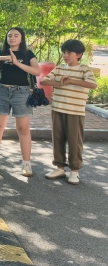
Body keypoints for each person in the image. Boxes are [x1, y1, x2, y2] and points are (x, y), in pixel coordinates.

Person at [0, 28, 41, 176]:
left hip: (21, 92)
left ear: (22, 38)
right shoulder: (1, 52)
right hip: (2, 91)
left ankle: (27, 164)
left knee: (23, 128)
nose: (12, 38)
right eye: (9, 35)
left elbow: (37, 71)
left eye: (16, 35)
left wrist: (16, 62)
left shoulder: (28, 54)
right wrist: (3, 57)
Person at [40, 39, 97, 185]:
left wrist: (71, 81)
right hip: (57, 109)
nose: (65, 55)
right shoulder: (59, 68)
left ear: (79, 54)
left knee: (74, 141)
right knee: (57, 139)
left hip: (75, 111)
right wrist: (59, 83)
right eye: (64, 52)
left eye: (69, 52)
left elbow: (92, 85)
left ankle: (74, 171)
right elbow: (44, 81)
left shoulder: (84, 69)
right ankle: (59, 168)